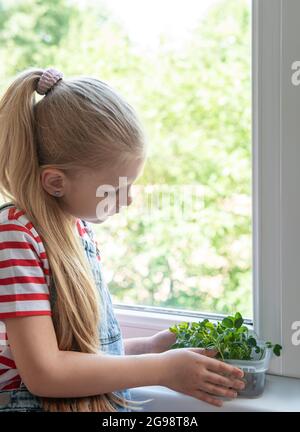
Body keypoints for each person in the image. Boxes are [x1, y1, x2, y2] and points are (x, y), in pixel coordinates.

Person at [0, 67, 245, 412]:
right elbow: (45, 372)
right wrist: (162, 369)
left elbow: (85, 355)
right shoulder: (15, 235)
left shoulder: (78, 230)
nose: (128, 200)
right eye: (115, 189)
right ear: (55, 182)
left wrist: (150, 346)